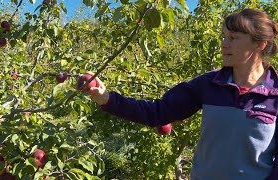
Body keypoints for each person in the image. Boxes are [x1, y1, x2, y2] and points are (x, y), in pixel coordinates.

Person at [87, 8, 278, 180]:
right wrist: (108, 99)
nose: (224, 44)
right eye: (223, 36)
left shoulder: (275, 94)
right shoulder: (210, 84)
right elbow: (157, 112)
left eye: (233, 38)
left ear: (259, 45)